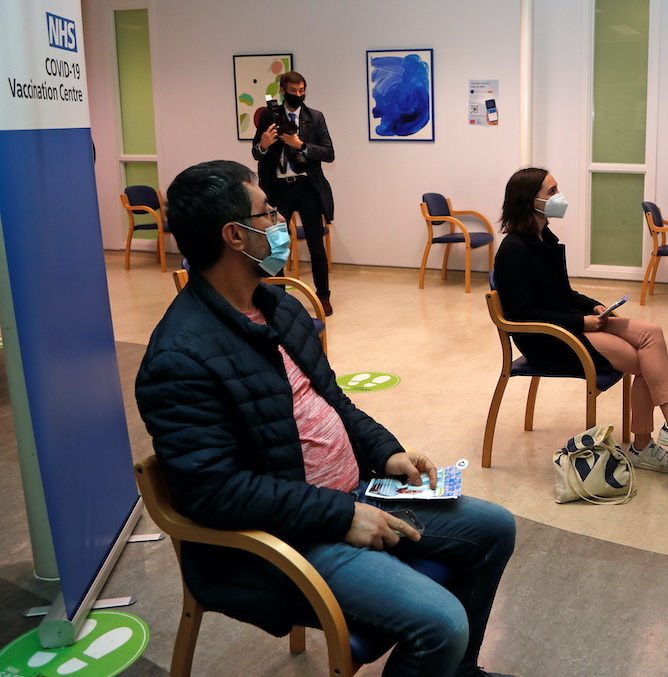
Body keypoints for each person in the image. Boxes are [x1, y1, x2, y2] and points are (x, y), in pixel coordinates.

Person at [135, 160, 516, 677]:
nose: (281, 223)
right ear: (234, 236)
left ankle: (459, 672)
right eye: (267, 213)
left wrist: (386, 451)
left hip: (354, 493)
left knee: (495, 527)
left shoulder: (279, 306)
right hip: (286, 539)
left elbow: (334, 401)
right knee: (441, 623)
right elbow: (214, 492)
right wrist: (341, 517)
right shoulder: (179, 357)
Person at [493, 167, 668, 476]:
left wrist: (594, 307)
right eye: (551, 191)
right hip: (550, 339)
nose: (559, 196)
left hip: (570, 325)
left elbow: (562, 292)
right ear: (529, 201)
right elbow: (523, 313)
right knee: (642, 361)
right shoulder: (514, 250)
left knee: (651, 334)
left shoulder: (544, 237)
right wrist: (581, 322)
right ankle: (645, 444)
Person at [252, 71, 335, 316]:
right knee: (277, 246)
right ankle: (280, 298)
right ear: (282, 90)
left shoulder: (315, 117)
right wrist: (264, 144)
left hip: (307, 187)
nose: (298, 95)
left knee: (316, 246)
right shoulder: (268, 115)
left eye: (302, 91)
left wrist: (301, 146)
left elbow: (329, 153)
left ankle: (323, 297)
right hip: (278, 189)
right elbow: (256, 153)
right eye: (294, 91)